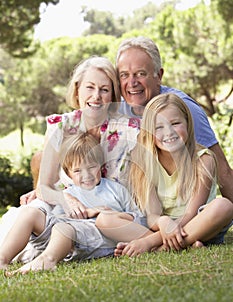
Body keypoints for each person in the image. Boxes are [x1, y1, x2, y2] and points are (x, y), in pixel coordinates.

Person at [0, 56, 141, 260]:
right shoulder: (61, 126)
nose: (96, 96)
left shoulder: (128, 130)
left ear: (113, 94)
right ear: (77, 90)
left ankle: (48, 254)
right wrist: (66, 198)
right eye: (89, 88)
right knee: (30, 213)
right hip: (62, 207)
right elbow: (44, 187)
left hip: (104, 216)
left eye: (104, 89)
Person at [0, 132, 146, 274]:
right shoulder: (69, 193)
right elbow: (55, 218)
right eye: (77, 171)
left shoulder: (115, 190)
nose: (86, 175)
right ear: (68, 173)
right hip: (59, 238)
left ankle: (48, 261)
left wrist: (103, 212)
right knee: (30, 213)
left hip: (90, 239)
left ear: (101, 165)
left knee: (64, 228)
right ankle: (2, 259)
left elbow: (136, 218)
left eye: (91, 167)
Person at [113, 93, 233, 257]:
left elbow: (191, 214)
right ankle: (188, 243)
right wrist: (163, 222)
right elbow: (152, 216)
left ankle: (158, 248)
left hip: (198, 223)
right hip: (163, 226)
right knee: (105, 220)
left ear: (188, 123)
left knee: (224, 206)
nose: (168, 132)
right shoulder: (145, 161)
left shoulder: (203, 159)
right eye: (159, 127)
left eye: (175, 123)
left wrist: (148, 241)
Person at [116, 36, 233, 203]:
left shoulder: (182, 109)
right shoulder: (118, 110)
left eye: (140, 74)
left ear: (159, 75)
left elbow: (223, 171)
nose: (132, 82)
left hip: (187, 209)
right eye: (124, 75)